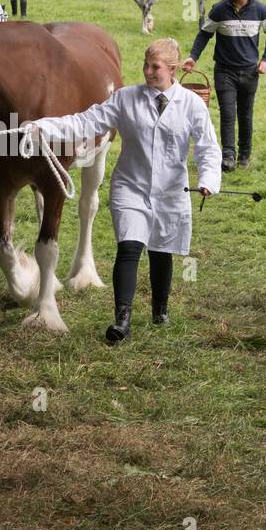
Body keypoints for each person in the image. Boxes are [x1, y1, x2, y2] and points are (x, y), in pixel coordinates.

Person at [26, 38, 220, 342]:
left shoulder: (192, 104)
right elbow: (86, 122)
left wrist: (208, 178)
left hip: (171, 190)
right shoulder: (126, 98)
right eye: (145, 64)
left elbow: (208, 147)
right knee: (129, 248)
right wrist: (44, 127)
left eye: (154, 67)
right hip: (131, 185)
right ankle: (122, 319)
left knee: (161, 250)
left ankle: (160, 309)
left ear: (171, 69)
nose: (147, 71)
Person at [183, 0, 266, 172]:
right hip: (224, 71)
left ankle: (244, 155)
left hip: (250, 72)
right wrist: (193, 56)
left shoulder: (261, 10)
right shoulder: (219, 9)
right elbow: (204, 34)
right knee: (227, 113)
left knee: (245, 114)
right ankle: (228, 156)